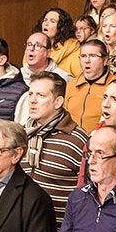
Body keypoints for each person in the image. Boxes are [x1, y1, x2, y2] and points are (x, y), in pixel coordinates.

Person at [16, 72, 88, 220]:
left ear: (58, 102)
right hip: (20, 228)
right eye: (30, 94)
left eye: (41, 95)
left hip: (58, 231)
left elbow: (87, 191)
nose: (32, 101)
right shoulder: (21, 134)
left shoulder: (77, 140)